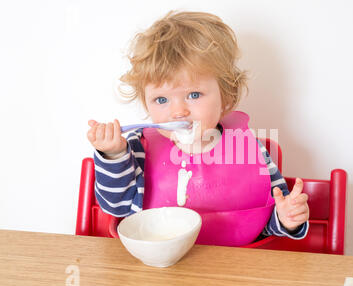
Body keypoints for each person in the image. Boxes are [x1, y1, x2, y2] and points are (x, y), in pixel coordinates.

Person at [86, 11, 309, 244]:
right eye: (161, 99)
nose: (178, 111)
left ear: (227, 97)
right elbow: (116, 207)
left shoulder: (248, 149)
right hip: (159, 270)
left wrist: (286, 218)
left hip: (233, 268)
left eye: (193, 95)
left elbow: (265, 222)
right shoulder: (137, 148)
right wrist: (113, 155)